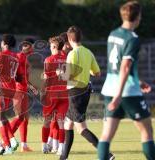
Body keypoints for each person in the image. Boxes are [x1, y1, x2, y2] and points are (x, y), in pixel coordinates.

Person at [98, 1, 155, 160]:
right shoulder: (133, 38)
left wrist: (138, 81)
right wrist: (119, 95)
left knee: (107, 134)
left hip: (110, 88)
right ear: (138, 17)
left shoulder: (113, 34)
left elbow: (116, 67)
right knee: (147, 131)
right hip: (127, 92)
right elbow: (124, 67)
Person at [59, 26, 114, 160]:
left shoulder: (72, 54)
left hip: (74, 93)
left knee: (81, 128)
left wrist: (59, 72)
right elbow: (97, 73)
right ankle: (63, 157)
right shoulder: (88, 52)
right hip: (85, 92)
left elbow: (66, 76)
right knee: (68, 124)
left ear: (70, 39)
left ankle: (107, 154)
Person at [41, 36, 68, 156]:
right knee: (61, 122)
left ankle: (44, 146)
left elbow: (46, 79)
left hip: (51, 95)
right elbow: (67, 77)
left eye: (51, 46)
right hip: (64, 94)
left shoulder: (48, 60)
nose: (50, 48)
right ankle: (61, 148)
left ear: (55, 47)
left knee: (47, 121)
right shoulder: (67, 58)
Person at [9, 38, 36, 152]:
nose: (34, 48)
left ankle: (24, 145)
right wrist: (14, 78)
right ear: (27, 46)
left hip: (24, 90)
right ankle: (6, 138)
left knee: (25, 118)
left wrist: (31, 86)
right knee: (19, 117)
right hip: (18, 91)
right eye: (32, 46)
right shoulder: (19, 57)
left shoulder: (25, 58)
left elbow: (23, 77)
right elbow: (12, 72)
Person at [0, 34, 19, 153]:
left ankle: (7, 145)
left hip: (2, 89)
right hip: (12, 89)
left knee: (0, 117)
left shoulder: (1, 55)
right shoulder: (16, 57)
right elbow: (18, 75)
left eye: (1, 41)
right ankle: (11, 141)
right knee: (3, 116)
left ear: (5, 43)